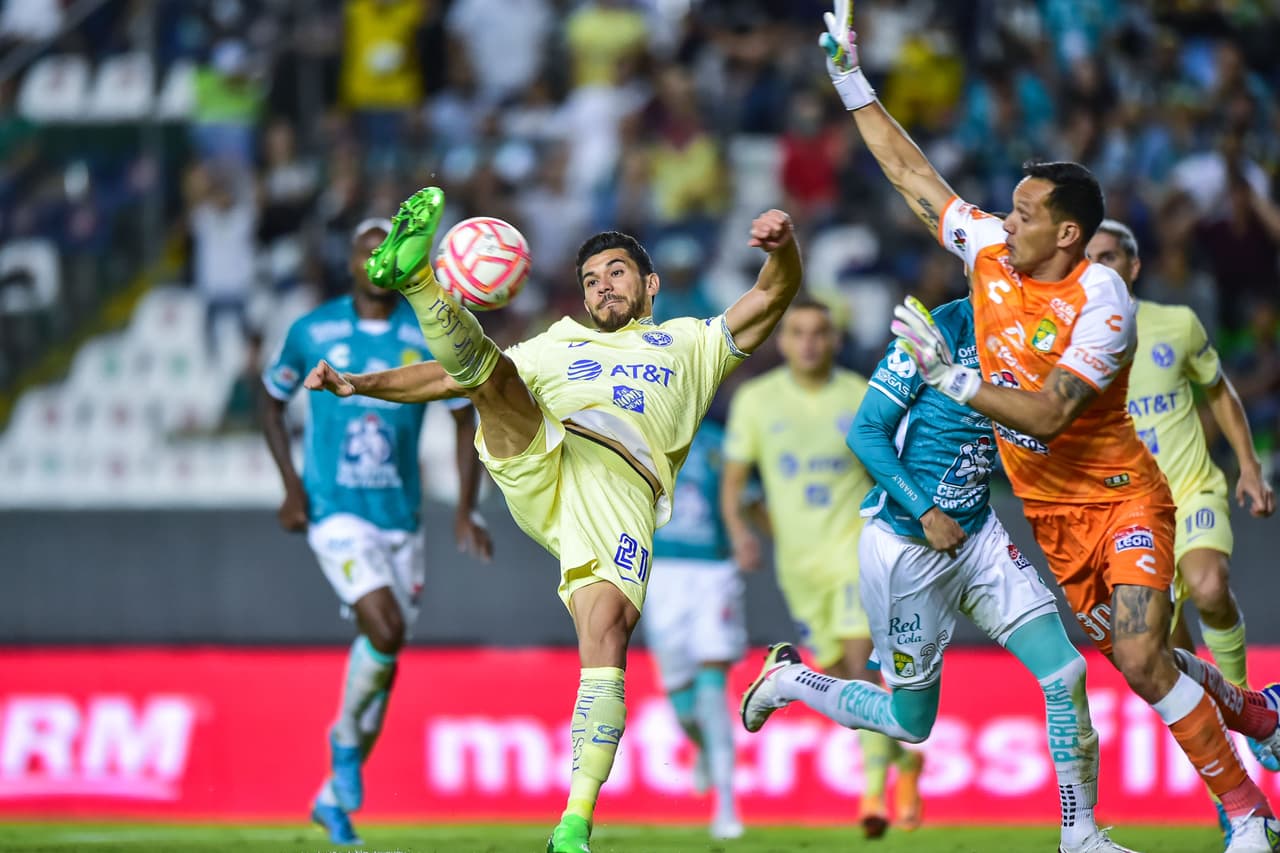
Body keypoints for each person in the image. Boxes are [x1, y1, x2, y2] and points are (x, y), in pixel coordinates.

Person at [814, 5, 1280, 851]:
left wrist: (949, 379)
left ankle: (1249, 815)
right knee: (1144, 665)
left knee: (1141, 660)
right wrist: (850, 79)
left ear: (1069, 234)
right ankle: (1254, 710)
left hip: (1122, 496)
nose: (1006, 218)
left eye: (1025, 211)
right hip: (1052, 517)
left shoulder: (1102, 304)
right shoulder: (993, 250)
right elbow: (914, 178)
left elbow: (1052, 411)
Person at [303, 186, 803, 853]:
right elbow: (446, 378)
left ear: (650, 282)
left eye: (616, 272)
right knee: (494, 383)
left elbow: (772, 296)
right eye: (590, 280)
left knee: (605, 636)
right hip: (545, 457)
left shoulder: (690, 343)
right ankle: (420, 281)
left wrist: (784, 247)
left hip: (621, 489)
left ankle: (573, 823)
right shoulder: (553, 344)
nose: (602, 287)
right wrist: (360, 383)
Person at [742, 297, 1115, 852]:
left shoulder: (1043, 332)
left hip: (978, 534)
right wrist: (926, 511)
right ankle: (788, 682)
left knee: (1065, 674)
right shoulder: (941, 327)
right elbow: (866, 432)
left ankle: (1080, 836)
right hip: (904, 546)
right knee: (911, 723)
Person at [261, 218, 492, 846]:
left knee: (385, 667)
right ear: (351, 263)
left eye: (385, 251)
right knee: (385, 628)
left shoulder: (424, 332)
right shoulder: (313, 331)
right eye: (366, 250)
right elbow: (270, 399)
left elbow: (464, 414)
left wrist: (465, 506)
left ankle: (331, 796)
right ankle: (340, 744)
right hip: (335, 510)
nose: (375, 260)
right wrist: (290, 484)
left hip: (401, 520)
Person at [1088, 219, 1279, 836]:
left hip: (1190, 492)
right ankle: (1232, 796)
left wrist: (1248, 467)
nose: (1099, 267)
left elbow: (1219, 392)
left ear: (1134, 265)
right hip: (1128, 520)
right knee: (1163, 668)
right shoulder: (1071, 344)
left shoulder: (1176, 324)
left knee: (1210, 584)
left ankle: (1252, 703)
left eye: (1110, 255)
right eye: (1088, 258)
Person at [722, 298, 923, 836]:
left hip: (857, 556)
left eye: (819, 333)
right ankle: (905, 762)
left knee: (861, 669)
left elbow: (892, 467)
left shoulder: (860, 394)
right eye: (798, 333)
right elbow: (735, 482)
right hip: (799, 567)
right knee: (834, 678)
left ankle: (873, 796)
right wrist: (743, 530)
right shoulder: (756, 401)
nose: (809, 342)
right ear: (782, 342)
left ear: (835, 340)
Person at [641, 418, 744, 840]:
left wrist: (748, 534)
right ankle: (701, 747)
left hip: (714, 570)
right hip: (661, 573)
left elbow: (740, 499)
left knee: (711, 688)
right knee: (682, 703)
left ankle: (726, 804)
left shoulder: (721, 442)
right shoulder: (643, 439)